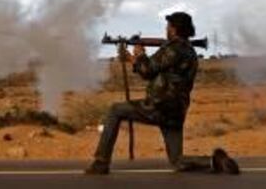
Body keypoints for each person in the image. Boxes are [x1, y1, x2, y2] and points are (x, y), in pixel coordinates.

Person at [85, 11, 240, 175]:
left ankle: (101, 162)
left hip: (159, 106)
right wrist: (133, 59)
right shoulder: (190, 52)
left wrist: (139, 54)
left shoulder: (172, 49)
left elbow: (147, 71)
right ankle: (215, 162)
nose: (166, 29)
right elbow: (156, 72)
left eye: (168, 26)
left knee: (115, 110)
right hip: (176, 110)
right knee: (177, 161)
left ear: (174, 29)